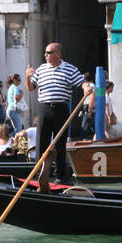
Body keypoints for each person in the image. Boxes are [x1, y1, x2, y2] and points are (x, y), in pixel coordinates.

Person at [25, 42, 88, 189]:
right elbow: (30, 88)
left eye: (48, 52)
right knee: (41, 142)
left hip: (61, 109)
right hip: (44, 109)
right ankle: (40, 174)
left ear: (58, 53)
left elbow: (82, 83)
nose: (45, 55)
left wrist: (86, 88)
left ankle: (61, 176)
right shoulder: (41, 69)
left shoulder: (70, 69)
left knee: (60, 144)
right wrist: (27, 77)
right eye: (45, 52)